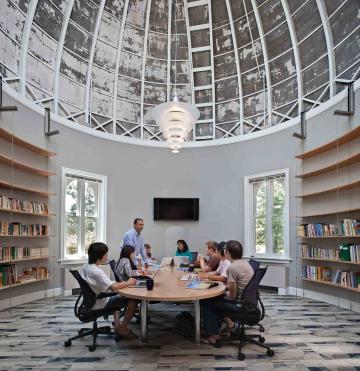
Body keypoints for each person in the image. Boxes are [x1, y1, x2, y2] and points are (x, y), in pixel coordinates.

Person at [80, 242, 139, 339]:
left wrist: (118, 284)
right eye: (106, 254)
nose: (107, 256)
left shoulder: (85, 266)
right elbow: (114, 287)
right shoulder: (97, 272)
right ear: (100, 256)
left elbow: (107, 284)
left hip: (90, 301)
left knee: (120, 296)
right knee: (133, 300)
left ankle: (117, 324)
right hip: (100, 302)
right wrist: (129, 282)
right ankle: (123, 329)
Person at [201, 240, 254, 345]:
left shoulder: (232, 267)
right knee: (214, 299)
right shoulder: (245, 263)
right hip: (250, 302)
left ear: (228, 253)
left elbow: (233, 295)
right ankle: (219, 326)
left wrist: (221, 293)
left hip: (241, 304)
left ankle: (213, 335)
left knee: (207, 302)